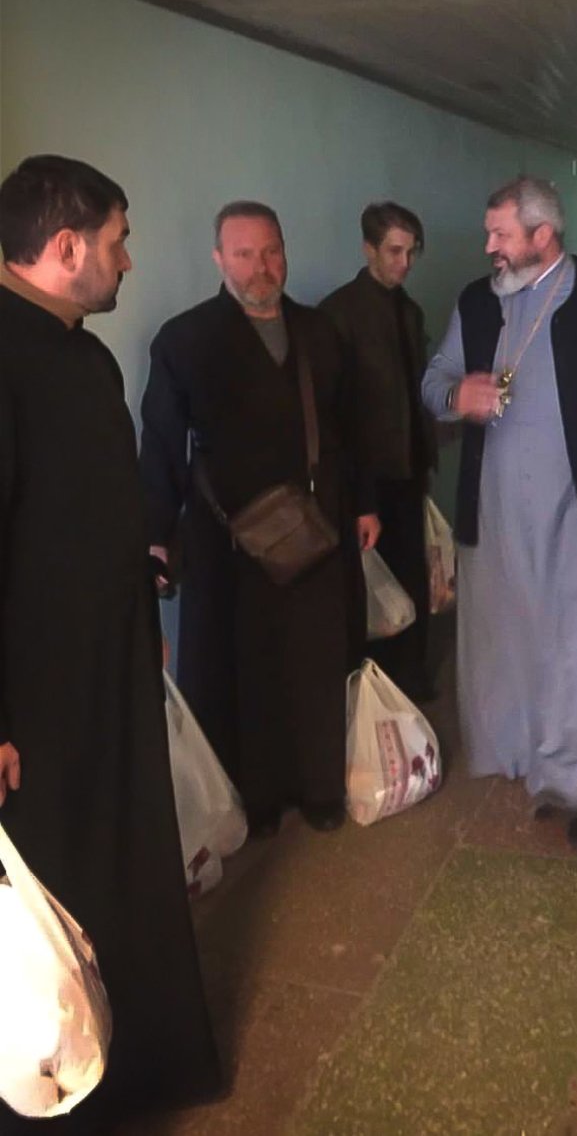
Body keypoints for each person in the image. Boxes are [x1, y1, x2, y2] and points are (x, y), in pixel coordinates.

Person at [0, 155, 220, 1134]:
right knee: (54, 901)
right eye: (118, 241)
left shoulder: (85, 356)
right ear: (65, 246)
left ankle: (138, 1068)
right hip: (35, 705)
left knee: (128, 874)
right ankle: (65, 1099)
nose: (127, 260)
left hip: (111, 672)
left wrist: (139, 608)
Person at [422, 176, 577, 859]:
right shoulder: (476, 302)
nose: (488, 247)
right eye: (489, 233)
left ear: (543, 235)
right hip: (498, 515)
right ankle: (551, 775)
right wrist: (457, 396)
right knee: (517, 652)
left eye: (501, 234)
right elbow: (432, 380)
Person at [139, 202, 379, 837]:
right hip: (228, 539)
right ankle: (257, 796)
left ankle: (321, 788)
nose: (260, 267)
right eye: (243, 254)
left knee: (316, 659)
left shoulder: (320, 333)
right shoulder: (185, 340)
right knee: (244, 667)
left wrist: (365, 503)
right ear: (219, 258)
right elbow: (161, 445)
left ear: (285, 253)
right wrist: (155, 538)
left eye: (270, 251)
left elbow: (350, 428)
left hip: (317, 528)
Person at [320, 202, 438, 701]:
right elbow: (338, 413)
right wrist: (359, 494)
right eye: (394, 251)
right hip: (365, 475)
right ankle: (375, 691)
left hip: (407, 469)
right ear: (369, 249)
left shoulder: (409, 311)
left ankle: (409, 680)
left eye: (411, 252)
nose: (405, 263)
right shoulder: (338, 314)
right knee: (369, 587)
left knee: (410, 577)